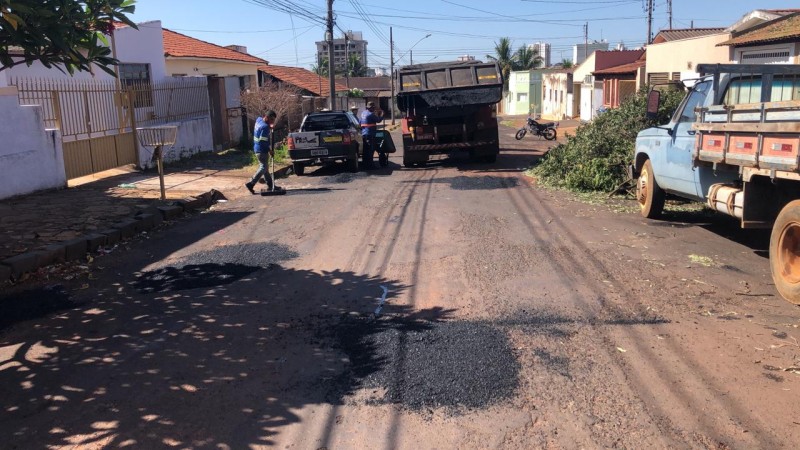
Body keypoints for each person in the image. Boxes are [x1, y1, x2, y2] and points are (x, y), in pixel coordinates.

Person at [245, 110, 277, 194]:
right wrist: (270, 150)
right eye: (272, 119)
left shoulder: (259, 120)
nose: (272, 121)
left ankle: (271, 185)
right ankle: (251, 183)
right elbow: (263, 142)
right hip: (261, 150)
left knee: (265, 169)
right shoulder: (265, 127)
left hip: (257, 148)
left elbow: (261, 129)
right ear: (267, 117)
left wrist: (270, 126)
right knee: (263, 167)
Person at [359, 101, 384, 169]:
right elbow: (378, 120)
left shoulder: (363, 113)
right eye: (373, 108)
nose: (373, 109)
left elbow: (360, 122)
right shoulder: (371, 114)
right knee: (371, 150)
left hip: (364, 134)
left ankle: (365, 164)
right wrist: (382, 115)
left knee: (365, 150)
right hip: (370, 134)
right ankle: (370, 165)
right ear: (371, 108)